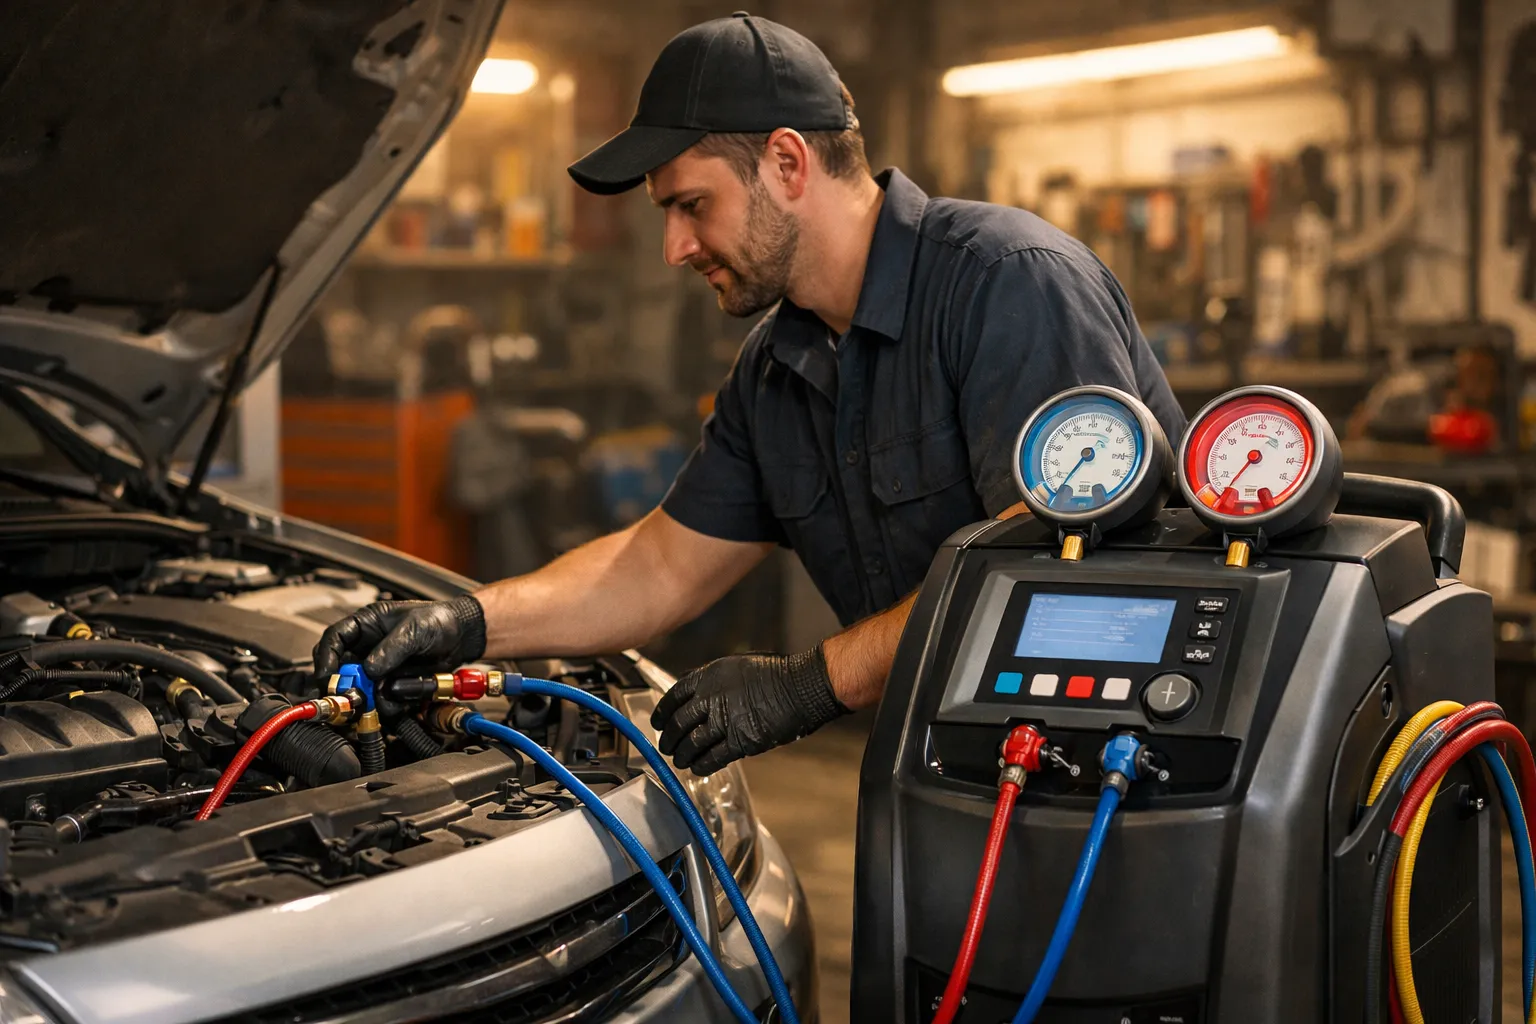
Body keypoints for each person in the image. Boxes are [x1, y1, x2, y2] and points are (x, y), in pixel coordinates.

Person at [313, 12, 1185, 776]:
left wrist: (813, 682)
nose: (674, 247)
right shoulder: (777, 368)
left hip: (1119, 778)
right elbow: (658, 565)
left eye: (692, 205)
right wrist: (466, 622)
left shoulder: (1008, 286)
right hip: (936, 775)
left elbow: (1053, 576)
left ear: (787, 161)